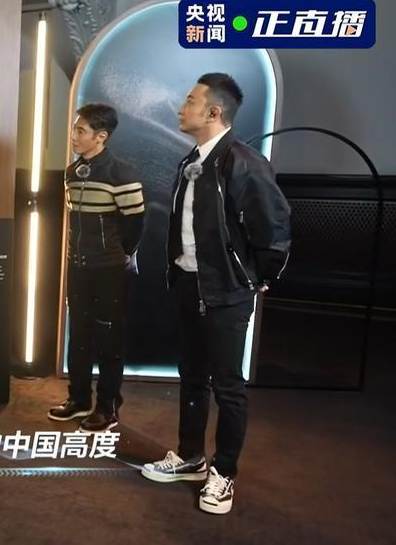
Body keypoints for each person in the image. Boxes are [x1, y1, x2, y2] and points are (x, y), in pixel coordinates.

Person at [140, 73, 292, 515]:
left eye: (190, 100)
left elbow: (274, 229)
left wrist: (255, 278)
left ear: (214, 112)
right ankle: (191, 456)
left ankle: (223, 473)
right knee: (192, 376)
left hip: (227, 291)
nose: (181, 107)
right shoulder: (192, 160)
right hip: (190, 283)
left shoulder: (244, 162)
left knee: (228, 386)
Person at [47, 103, 145, 433]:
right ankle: (78, 399)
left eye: (81, 131)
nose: (73, 136)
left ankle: (107, 406)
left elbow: (135, 224)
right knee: (79, 335)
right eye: (74, 129)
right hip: (78, 266)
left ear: (101, 136)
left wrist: (121, 253)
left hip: (109, 270)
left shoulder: (122, 173)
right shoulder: (71, 172)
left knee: (109, 339)